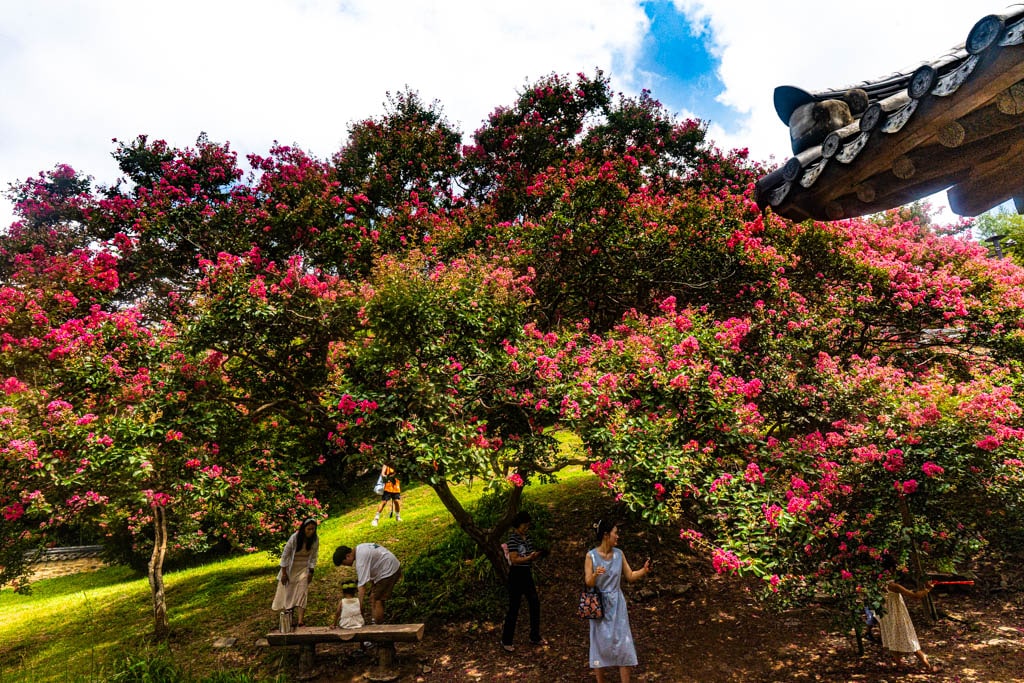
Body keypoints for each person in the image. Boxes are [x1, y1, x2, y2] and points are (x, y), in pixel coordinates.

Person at [585, 519, 650, 683]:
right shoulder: (591, 556)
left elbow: (629, 576)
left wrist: (643, 570)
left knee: (623, 641)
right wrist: (595, 575)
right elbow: (588, 582)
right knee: (599, 642)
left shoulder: (619, 554)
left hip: (617, 603)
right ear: (606, 535)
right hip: (598, 603)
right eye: (615, 533)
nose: (618, 536)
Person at [878, 555, 937, 672]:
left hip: (886, 615)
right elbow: (916, 596)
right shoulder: (893, 586)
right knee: (910, 638)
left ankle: (899, 665)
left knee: (892, 637)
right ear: (891, 570)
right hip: (898, 615)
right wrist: (928, 589)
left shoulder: (877, 583)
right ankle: (928, 666)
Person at [501, 510, 546, 652]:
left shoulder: (528, 538)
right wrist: (528, 558)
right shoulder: (513, 539)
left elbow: (528, 555)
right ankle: (506, 640)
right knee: (514, 607)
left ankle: (534, 635)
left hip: (527, 574)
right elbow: (514, 559)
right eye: (524, 525)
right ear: (518, 525)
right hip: (516, 575)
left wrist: (536, 555)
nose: (526, 528)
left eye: (527, 525)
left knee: (534, 603)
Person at [332, 542, 402, 625]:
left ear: (348, 556)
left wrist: (359, 606)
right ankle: (374, 622)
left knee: (377, 600)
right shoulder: (360, 548)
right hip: (387, 567)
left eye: (344, 563)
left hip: (388, 570)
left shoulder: (360, 560)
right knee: (373, 596)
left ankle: (377, 627)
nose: (345, 566)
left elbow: (362, 586)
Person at [271, 517, 319, 628]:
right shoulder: (295, 538)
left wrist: (311, 572)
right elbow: (285, 555)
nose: (311, 532)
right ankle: (289, 618)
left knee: (302, 592)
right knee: (289, 593)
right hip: (290, 570)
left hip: (303, 569)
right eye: (309, 529)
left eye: (313, 529)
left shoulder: (315, 540)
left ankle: (301, 621)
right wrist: (284, 573)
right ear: (304, 529)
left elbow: (313, 557)